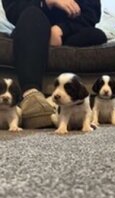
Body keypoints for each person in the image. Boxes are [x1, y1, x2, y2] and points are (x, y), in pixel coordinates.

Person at [2, 0, 107, 128]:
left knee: (97, 35)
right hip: (32, 27)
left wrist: (61, 29)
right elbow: (13, 9)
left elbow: (92, 13)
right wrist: (48, 2)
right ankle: (31, 95)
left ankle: (64, 99)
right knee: (31, 15)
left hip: (69, 31)